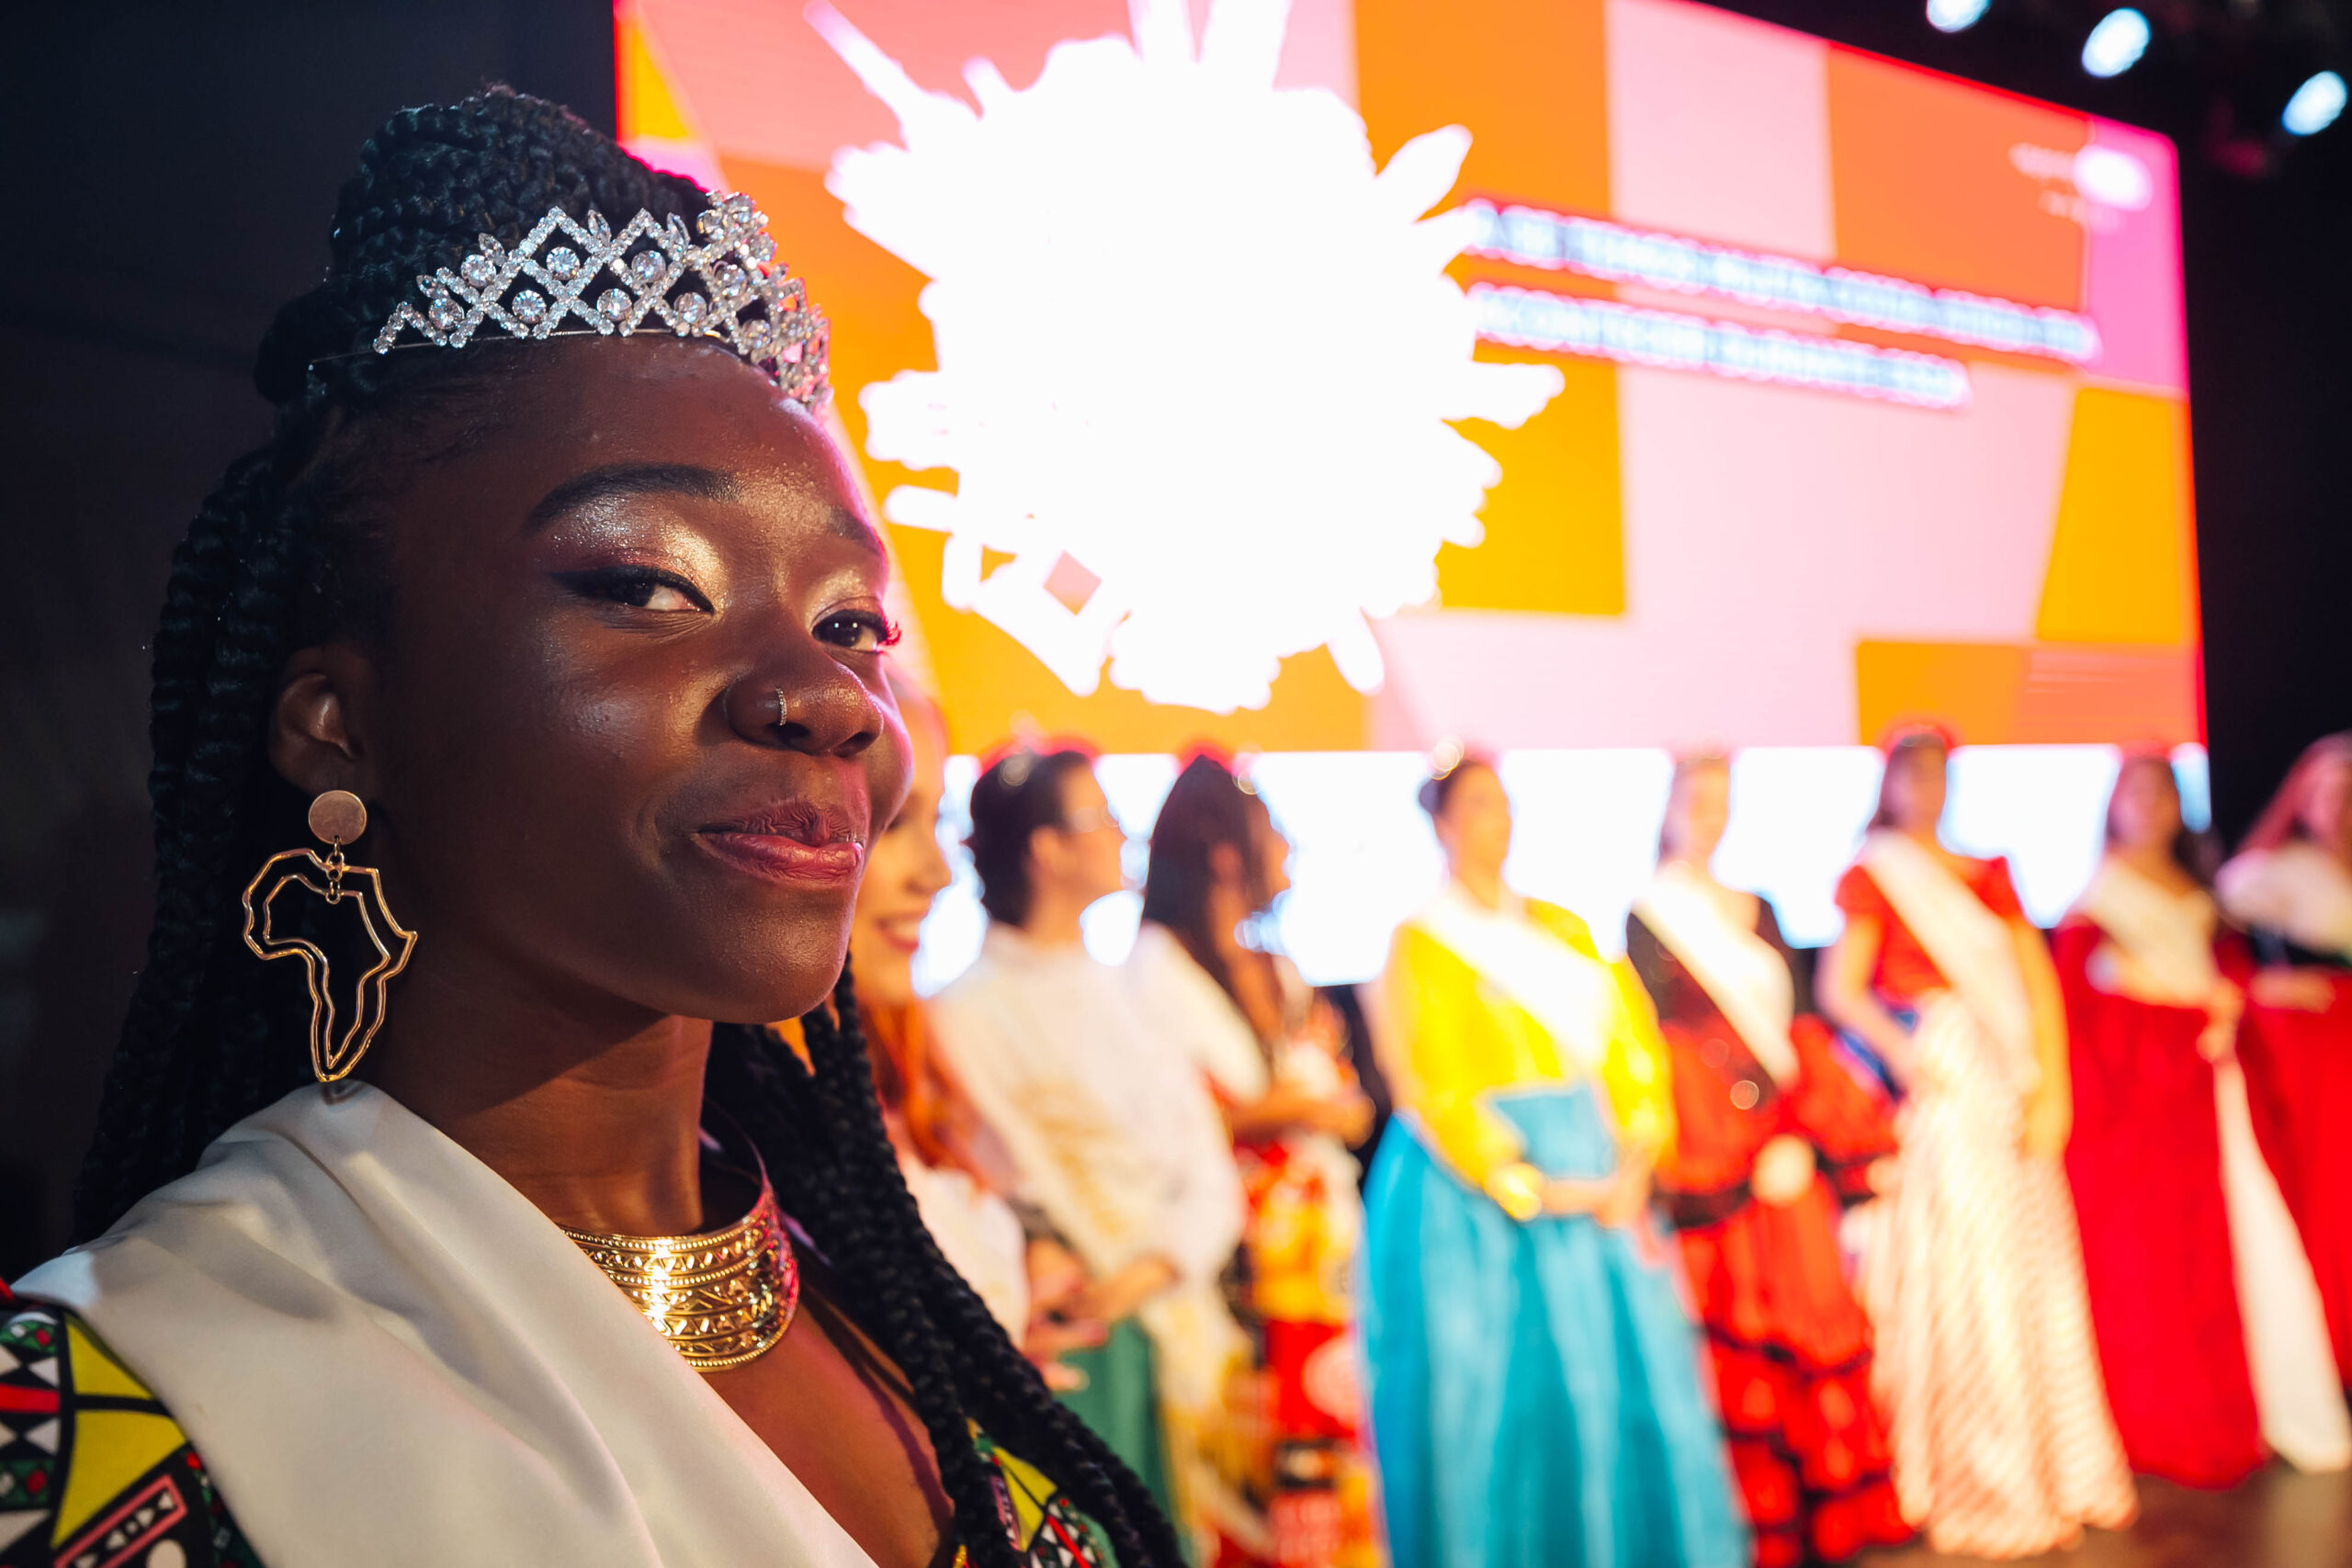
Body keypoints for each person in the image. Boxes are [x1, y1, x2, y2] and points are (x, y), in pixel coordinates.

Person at [2, 92, 1173, 1568]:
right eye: (647, 583)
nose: (827, 694)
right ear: (337, 719)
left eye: (850, 619)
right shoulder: (110, 1406)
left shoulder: (912, 1316)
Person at [1362, 754, 1747, 1568]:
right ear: (1441, 821)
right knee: (1506, 1401)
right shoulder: (1422, 941)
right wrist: (1534, 1185)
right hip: (1489, 1205)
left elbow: (1630, 1045)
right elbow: (1432, 1085)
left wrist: (1635, 1159)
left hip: (1600, 1179)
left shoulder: (1564, 927)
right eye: (1477, 804)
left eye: (1503, 802)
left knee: (1621, 1383)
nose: (1496, 819)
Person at [1816, 727, 2134, 1559]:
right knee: (1968, 1264)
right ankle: (1976, 1471)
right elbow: (1840, 989)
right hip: (1944, 1079)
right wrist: (1905, 1050)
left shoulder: (1987, 871)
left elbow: (2036, 981)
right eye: (1912, 771)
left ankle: (2050, 1462)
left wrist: (2054, 1087)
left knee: (2030, 1261)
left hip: (2006, 1073)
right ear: (1890, 782)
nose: (1927, 786)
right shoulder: (1877, 871)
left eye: (1939, 771)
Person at [929, 747, 1249, 1560]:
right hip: (1076, 1338)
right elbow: (1000, 1192)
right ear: (1047, 848)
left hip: (1171, 1313)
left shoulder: (1134, 989)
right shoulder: (962, 1013)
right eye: (1099, 818)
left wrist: (1155, 1267)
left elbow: (1208, 1169)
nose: (1119, 834)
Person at [1625, 756, 1909, 1567]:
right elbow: (1660, 1047)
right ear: (1668, 807)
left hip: (1783, 1150)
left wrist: (1802, 1137)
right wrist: (1732, 1152)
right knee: (1737, 1340)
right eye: (1696, 798)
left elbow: (1797, 1031)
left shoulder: (1763, 908)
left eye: (1722, 799)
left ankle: (1828, 1519)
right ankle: (1751, 1528)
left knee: (1813, 1317)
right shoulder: (1648, 916)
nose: (1709, 813)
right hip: (1716, 1167)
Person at [2057, 750, 2350, 1484]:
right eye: (2137, 791)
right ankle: (2182, 1415)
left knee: (2251, 1240)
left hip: (2213, 1085)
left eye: (2163, 791)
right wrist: (2190, 1017)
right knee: (2169, 1256)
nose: (2150, 805)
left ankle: (2264, 1406)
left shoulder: (2196, 890)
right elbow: (2093, 1014)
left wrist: (2247, 999)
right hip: (2152, 1103)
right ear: (2112, 803)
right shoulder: (2098, 899)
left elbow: (2227, 979)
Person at [1132, 751, 1382, 1568]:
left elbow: (1345, 1097)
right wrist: (1289, 1110)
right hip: (1231, 1273)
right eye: (1271, 833)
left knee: (1330, 1471)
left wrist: (1316, 1108)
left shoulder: (1280, 970)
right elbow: (1164, 1119)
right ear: (1224, 851)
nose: (1287, 852)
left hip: (1318, 1270)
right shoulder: (1154, 971)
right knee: (1246, 1484)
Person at [830, 668, 1103, 1390]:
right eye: (891, 822)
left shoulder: (901, 1046)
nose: (937, 871)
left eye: (937, 822)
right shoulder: (964, 1009)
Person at [2217, 731, 2352, 1394]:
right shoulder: (2272, 875)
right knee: (2331, 1193)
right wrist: (2266, 987)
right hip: (2317, 1052)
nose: (2340, 807)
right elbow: (2223, 954)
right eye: (2328, 793)